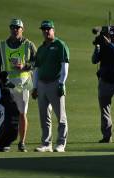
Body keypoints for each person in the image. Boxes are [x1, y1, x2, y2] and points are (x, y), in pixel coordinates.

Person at [0, 18, 37, 152]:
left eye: (17, 27)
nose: (15, 29)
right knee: (5, 114)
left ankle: (21, 142)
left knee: (22, 113)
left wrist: (25, 66)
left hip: (23, 84)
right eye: (13, 27)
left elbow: (38, 63)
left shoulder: (29, 45)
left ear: (22, 29)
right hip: (6, 85)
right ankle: (4, 142)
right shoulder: (2, 45)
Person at [32, 20, 70, 152]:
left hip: (55, 83)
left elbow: (64, 66)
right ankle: (46, 144)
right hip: (42, 84)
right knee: (44, 116)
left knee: (61, 116)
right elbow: (36, 69)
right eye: (44, 29)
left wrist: (61, 83)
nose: (46, 31)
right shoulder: (41, 48)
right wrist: (35, 86)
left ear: (53, 30)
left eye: (48, 29)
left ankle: (61, 143)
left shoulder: (60, 45)